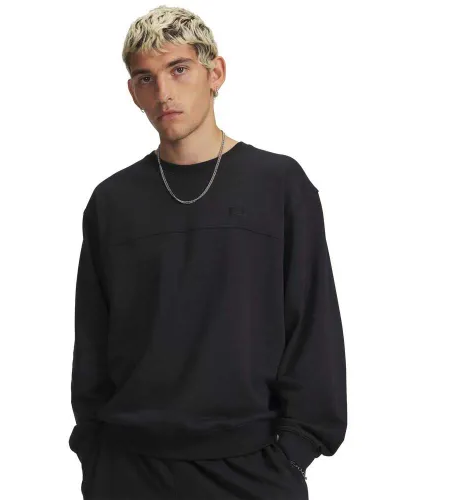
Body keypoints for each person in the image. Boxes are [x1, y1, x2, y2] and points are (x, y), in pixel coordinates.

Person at [68, 5, 347, 500]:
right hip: (128, 469)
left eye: (179, 69)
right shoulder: (112, 202)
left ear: (215, 73)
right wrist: (95, 452)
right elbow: (92, 340)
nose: (164, 92)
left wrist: (295, 451)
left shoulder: (279, 185)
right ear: (133, 91)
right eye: (146, 78)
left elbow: (313, 324)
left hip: (252, 468)